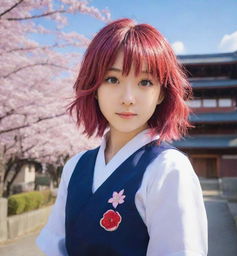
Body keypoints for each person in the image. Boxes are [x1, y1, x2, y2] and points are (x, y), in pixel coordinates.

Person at [36, 18, 208, 256]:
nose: (128, 97)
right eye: (112, 79)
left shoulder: (168, 169)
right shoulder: (75, 167)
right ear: (94, 87)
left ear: (161, 93)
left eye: (145, 82)